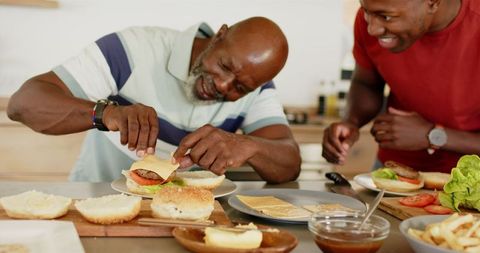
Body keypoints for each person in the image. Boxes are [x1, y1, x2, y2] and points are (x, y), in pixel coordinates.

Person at [7, 16, 301, 183]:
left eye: (240, 87)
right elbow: (24, 103)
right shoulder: (133, 49)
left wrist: (249, 145)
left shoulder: (258, 87)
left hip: (182, 220)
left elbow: (289, 162)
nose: (223, 86)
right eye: (225, 66)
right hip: (99, 203)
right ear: (219, 35)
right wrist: (107, 114)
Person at [322, 0, 480, 173]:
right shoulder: (374, 12)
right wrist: (351, 122)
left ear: (433, 3)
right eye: (367, 11)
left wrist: (433, 135)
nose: (372, 29)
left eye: (387, 17)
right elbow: (366, 83)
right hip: (393, 170)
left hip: (470, 179)